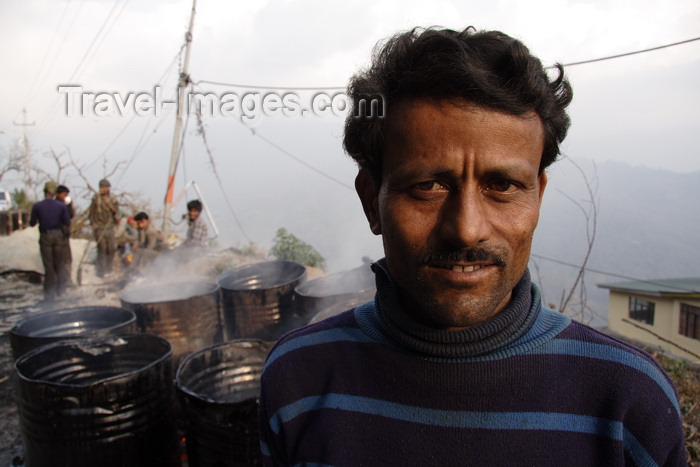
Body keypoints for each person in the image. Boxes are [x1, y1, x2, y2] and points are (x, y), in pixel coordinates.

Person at [258, 27, 687, 466]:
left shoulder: (630, 404)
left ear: (537, 196)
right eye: (428, 186)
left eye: (502, 185)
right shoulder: (297, 379)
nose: (466, 230)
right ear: (372, 200)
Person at [29, 181, 71, 300]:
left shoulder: (37, 206)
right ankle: (61, 290)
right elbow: (67, 222)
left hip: (45, 236)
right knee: (60, 264)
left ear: (45, 191)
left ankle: (49, 293)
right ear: (54, 193)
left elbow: (32, 223)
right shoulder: (61, 206)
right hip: (58, 236)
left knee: (49, 266)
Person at [88, 178, 119, 277]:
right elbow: (91, 213)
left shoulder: (113, 199)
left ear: (107, 188)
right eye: (100, 187)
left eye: (103, 187)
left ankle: (108, 270)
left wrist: (110, 206)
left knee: (111, 249)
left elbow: (118, 213)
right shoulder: (96, 198)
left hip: (109, 227)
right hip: (99, 227)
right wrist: (93, 223)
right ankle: (101, 271)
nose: (101, 189)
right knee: (102, 249)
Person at [55, 185, 74, 284]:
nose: (65, 197)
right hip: (58, 235)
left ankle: (67, 279)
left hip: (64, 235)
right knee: (59, 259)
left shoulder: (65, 205)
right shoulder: (55, 205)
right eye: (64, 194)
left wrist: (70, 205)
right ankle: (60, 281)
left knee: (67, 259)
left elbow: (71, 215)